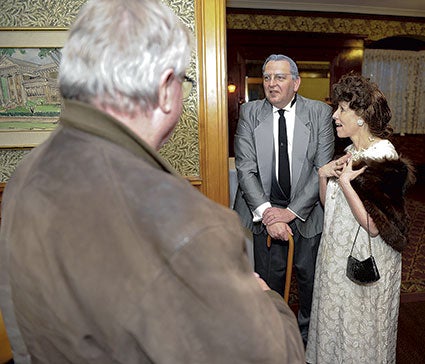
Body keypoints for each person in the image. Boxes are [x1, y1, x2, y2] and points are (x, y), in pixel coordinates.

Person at [0, 1, 306, 363]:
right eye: (183, 82)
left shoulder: (29, 171)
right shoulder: (187, 223)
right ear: (165, 89)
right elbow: (275, 356)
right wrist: (266, 300)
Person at [306, 74, 415, 363]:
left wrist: (345, 184)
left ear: (362, 117)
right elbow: (330, 207)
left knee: (360, 337)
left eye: (342, 109)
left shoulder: (383, 157)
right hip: (336, 259)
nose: (334, 115)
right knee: (337, 331)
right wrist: (323, 176)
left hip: (365, 262)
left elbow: (375, 226)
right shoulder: (351, 153)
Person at [233, 53, 335, 345]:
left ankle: (305, 342)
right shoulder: (250, 113)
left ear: (297, 82)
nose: (271, 84)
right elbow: (245, 168)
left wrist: (290, 212)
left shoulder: (318, 113)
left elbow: (322, 169)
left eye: (280, 77)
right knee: (269, 282)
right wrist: (268, 214)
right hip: (264, 214)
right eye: (267, 77)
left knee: (309, 282)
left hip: (307, 212)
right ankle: (274, 342)